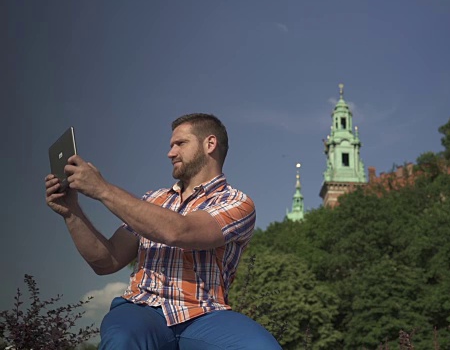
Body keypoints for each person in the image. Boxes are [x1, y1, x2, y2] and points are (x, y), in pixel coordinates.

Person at [45, 114, 281, 349]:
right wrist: (71, 212)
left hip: (206, 314)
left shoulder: (237, 202)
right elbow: (106, 261)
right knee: (122, 340)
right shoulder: (152, 200)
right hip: (142, 310)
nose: (171, 153)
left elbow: (180, 231)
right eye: (171, 146)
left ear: (210, 144)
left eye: (180, 144)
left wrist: (102, 189)